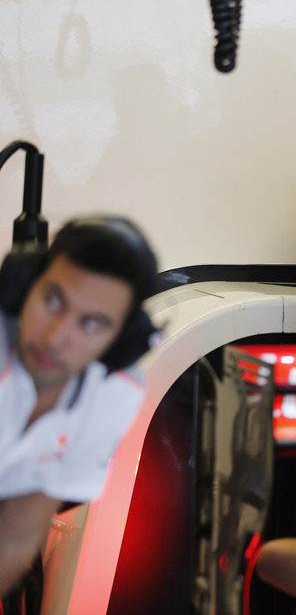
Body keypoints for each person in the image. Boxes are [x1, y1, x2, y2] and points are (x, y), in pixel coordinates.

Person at [0, 216, 158, 597]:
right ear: (24, 286)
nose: (56, 338)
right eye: (52, 301)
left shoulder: (115, 391)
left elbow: (17, 535)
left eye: (91, 323)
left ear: (122, 340)